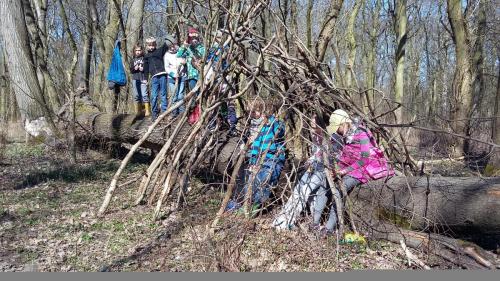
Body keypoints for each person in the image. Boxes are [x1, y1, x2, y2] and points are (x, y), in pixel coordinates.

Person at [273, 109, 394, 237]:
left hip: (361, 169)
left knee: (339, 189)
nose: (336, 131)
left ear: (344, 124)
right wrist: (324, 164)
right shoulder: (341, 134)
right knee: (326, 183)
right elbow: (325, 148)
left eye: (338, 128)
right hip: (344, 164)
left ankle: (329, 228)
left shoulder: (361, 134)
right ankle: (314, 223)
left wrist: (343, 171)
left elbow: (364, 159)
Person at [226, 99, 286, 215]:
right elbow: (254, 149)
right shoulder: (253, 125)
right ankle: (240, 205)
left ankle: (254, 207)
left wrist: (272, 120)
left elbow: (281, 130)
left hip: (271, 159)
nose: (251, 115)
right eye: (250, 112)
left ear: (262, 111)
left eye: (254, 112)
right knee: (249, 183)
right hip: (257, 159)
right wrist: (253, 162)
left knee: (264, 181)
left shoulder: (272, 123)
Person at [176, 27, 206, 120]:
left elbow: (205, 58)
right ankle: (194, 115)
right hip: (191, 76)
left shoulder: (202, 48)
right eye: (192, 39)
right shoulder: (188, 49)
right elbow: (179, 55)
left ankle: (202, 114)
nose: (194, 40)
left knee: (202, 95)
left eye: (195, 38)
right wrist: (184, 46)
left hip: (201, 75)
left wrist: (200, 61)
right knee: (193, 96)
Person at [143, 35, 175, 120]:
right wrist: (145, 79)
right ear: (146, 46)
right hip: (154, 77)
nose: (151, 46)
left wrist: (171, 37)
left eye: (153, 45)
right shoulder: (146, 56)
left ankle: (164, 112)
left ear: (155, 45)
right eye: (149, 45)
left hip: (163, 75)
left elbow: (166, 45)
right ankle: (154, 113)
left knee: (163, 95)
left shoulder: (159, 51)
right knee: (154, 96)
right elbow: (145, 69)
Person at [163, 42, 183, 117]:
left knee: (180, 95)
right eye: (171, 46)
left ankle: (182, 112)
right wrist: (173, 74)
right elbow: (166, 67)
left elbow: (182, 62)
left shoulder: (180, 52)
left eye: (174, 46)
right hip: (171, 78)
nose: (173, 48)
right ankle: (175, 112)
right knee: (174, 96)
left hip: (181, 77)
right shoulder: (166, 55)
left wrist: (180, 72)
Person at [129, 45, 149, 117]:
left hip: (143, 78)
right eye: (136, 50)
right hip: (135, 79)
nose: (138, 52)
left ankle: (147, 111)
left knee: (144, 94)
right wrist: (135, 68)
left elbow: (147, 69)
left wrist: (142, 69)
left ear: (142, 51)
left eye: (139, 50)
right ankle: (138, 111)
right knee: (137, 95)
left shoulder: (144, 58)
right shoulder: (132, 60)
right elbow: (131, 70)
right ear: (134, 51)